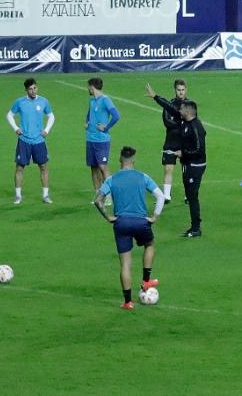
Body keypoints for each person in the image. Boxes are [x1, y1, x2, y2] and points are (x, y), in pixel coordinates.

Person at [94, 145, 166, 310]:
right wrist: (155, 216)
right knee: (149, 245)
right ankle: (146, 279)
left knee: (125, 263)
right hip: (141, 222)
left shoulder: (111, 179)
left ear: (120, 160)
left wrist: (108, 217)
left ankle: (127, 302)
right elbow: (160, 196)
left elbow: (98, 200)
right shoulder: (143, 177)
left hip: (121, 223)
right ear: (133, 160)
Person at [148, 84, 207, 237]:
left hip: (195, 165)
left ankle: (196, 228)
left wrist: (183, 153)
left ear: (187, 112)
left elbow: (199, 150)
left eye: (181, 109)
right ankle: (194, 226)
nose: (178, 111)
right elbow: (170, 108)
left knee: (193, 197)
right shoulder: (184, 120)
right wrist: (156, 97)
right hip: (188, 164)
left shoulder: (196, 127)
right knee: (191, 195)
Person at [7, 78, 55, 205]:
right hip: (24, 140)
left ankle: (45, 195)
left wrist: (47, 130)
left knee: (43, 167)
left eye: (35, 88)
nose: (33, 91)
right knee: (19, 167)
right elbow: (9, 115)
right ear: (26, 90)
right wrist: (16, 128)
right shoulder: (20, 102)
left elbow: (51, 116)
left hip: (39, 140)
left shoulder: (44, 101)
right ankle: (18, 196)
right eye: (30, 89)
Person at [85, 78, 121, 193]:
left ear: (92, 87)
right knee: (94, 167)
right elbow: (89, 113)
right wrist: (87, 122)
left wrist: (106, 128)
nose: (88, 89)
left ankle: (109, 195)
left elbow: (116, 116)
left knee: (103, 167)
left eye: (88, 87)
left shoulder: (106, 100)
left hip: (101, 140)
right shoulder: (92, 101)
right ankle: (98, 195)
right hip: (90, 139)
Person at [159, 79, 189, 203]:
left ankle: (188, 195)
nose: (181, 92)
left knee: (186, 170)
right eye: (178, 90)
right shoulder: (169, 104)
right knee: (168, 169)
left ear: (186, 90)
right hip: (171, 142)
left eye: (183, 90)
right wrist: (181, 124)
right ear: (175, 90)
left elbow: (192, 122)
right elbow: (167, 122)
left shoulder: (190, 105)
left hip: (185, 143)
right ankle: (166, 196)